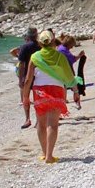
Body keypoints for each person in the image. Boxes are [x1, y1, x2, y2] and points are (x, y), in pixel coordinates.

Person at [23, 31, 80, 163]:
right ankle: (49, 156)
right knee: (53, 124)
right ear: (53, 41)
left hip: (39, 91)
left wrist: (25, 97)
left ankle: (44, 153)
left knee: (41, 124)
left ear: (40, 43)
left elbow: (28, 79)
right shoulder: (60, 57)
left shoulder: (35, 57)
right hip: (56, 90)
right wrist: (75, 91)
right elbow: (69, 76)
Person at [10, 28, 40, 129]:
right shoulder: (41, 46)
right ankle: (38, 120)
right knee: (38, 98)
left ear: (27, 36)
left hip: (28, 75)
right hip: (40, 75)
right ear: (36, 35)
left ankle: (27, 119)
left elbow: (22, 64)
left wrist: (20, 79)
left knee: (25, 98)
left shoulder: (24, 46)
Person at [57, 35, 85, 108]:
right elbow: (73, 59)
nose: (72, 47)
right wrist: (80, 55)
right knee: (75, 89)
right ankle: (77, 104)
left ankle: (63, 108)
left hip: (60, 72)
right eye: (72, 45)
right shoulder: (64, 50)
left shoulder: (60, 48)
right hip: (67, 72)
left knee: (64, 89)